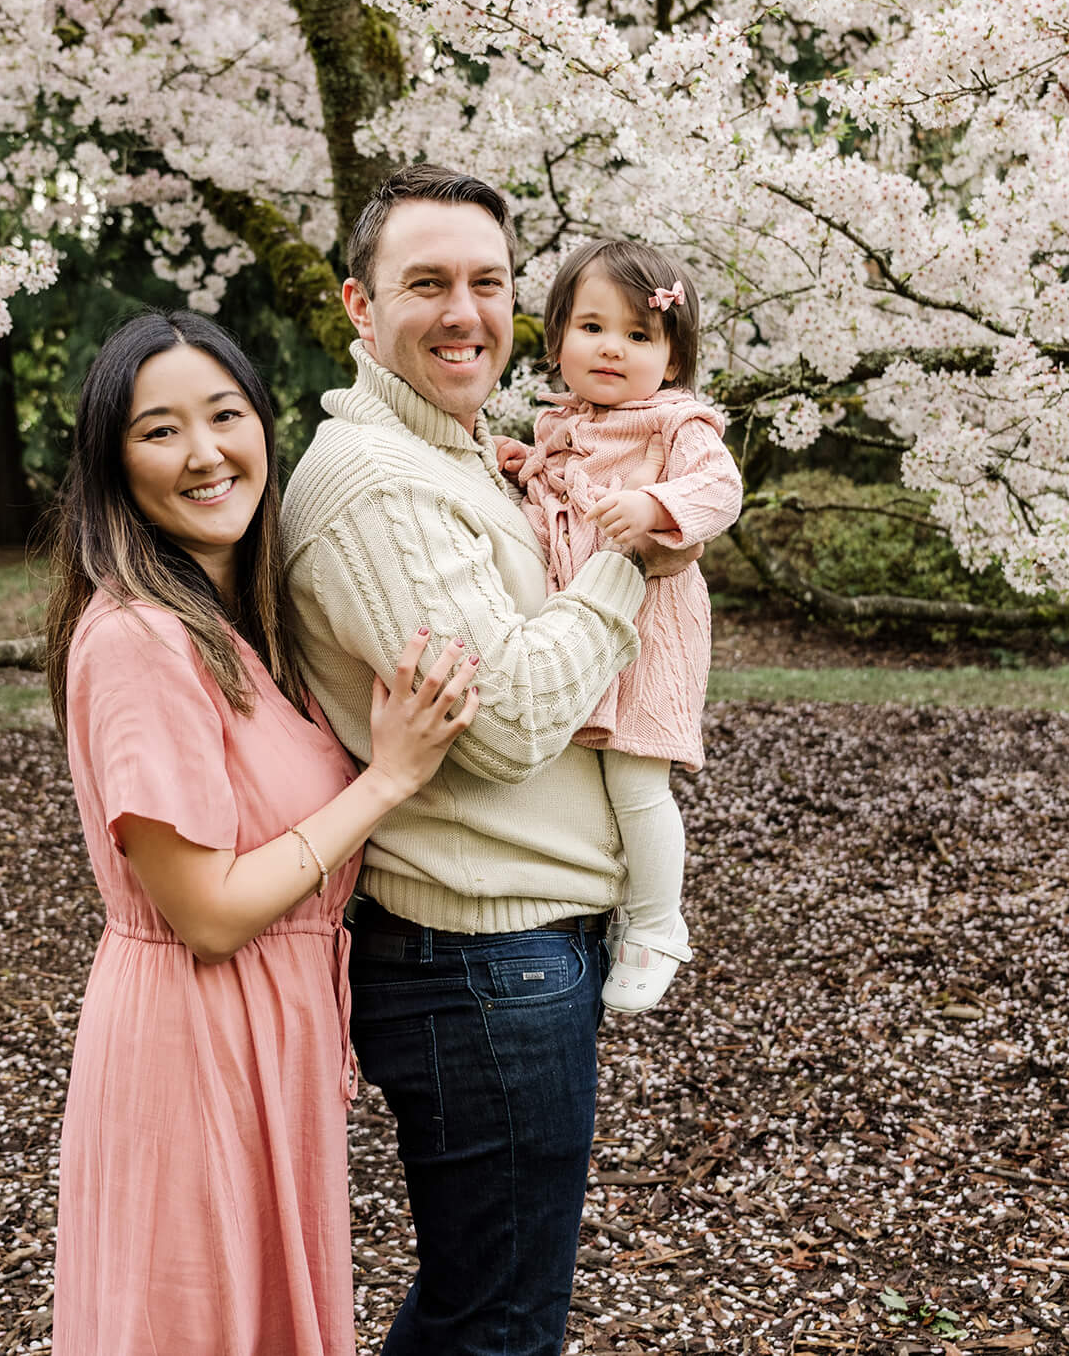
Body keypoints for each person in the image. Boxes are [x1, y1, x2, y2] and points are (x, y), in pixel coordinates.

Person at [282, 164, 696, 1356]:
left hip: (515, 952)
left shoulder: (455, 452)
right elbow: (512, 720)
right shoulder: (374, 487)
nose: (465, 311)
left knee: (489, 1306)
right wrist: (634, 559)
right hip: (479, 960)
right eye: (426, 284)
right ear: (360, 308)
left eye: (488, 282)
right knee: (499, 1323)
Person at [44, 309, 482, 1356]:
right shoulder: (138, 639)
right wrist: (389, 780)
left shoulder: (245, 626)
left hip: (266, 1042)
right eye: (159, 431)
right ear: (113, 466)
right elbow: (205, 912)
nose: (204, 454)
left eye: (224, 415)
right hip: (191, 1046)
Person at [500, 237, 743, 1011]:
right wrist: (522, 469)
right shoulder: (564, 425)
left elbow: (721, 488)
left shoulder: (676, 423)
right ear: (559, 337)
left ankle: (658, 921)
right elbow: (559, 498)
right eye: (593, 327)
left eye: (640, 335)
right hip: (581, 633)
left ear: (671, 361)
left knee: (638, 784)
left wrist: (654, 505)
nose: (613, 348)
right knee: (596, 785)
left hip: (648, 637)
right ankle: (613, 906)